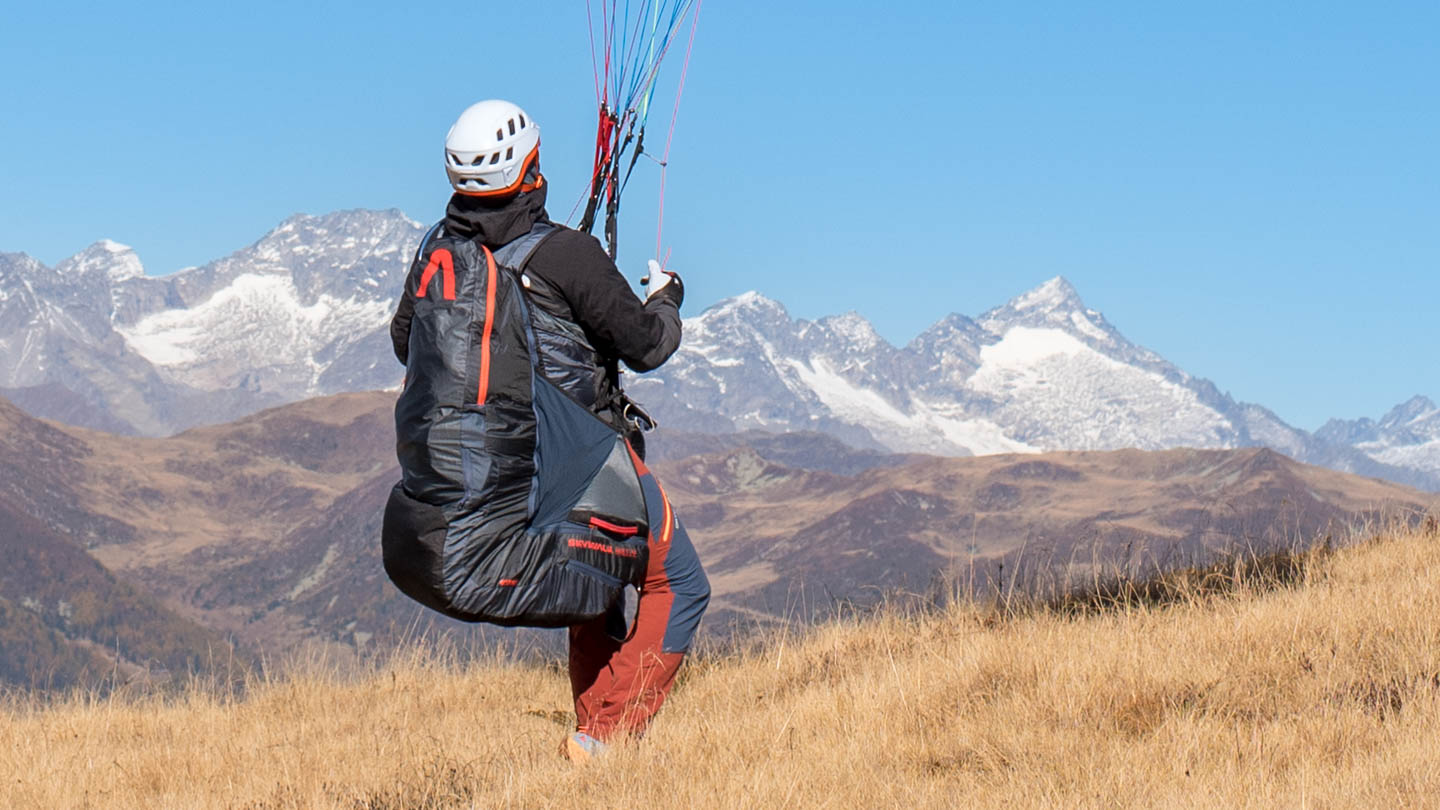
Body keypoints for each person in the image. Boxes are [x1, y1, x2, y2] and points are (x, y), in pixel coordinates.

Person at [390, 99, 709, 762]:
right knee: (678, 582)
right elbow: (646, 346)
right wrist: (667, 297)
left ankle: (593, 746)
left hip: (509, 469)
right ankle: (605, 738)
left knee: (595, 591)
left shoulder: (438, 252)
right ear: (530, 167)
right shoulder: (568, 254)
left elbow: (408, 344)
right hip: (584, 458)